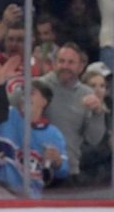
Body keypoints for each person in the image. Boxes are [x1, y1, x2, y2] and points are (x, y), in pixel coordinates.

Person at [0, 78, 68, 197]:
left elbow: (63, 171)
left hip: (32, 198)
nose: (25, 96)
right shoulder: (6, 115)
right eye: (24, 92)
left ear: (44, 101)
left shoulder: (54, 134)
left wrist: (57, 161)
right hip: (0, 190)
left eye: (32, 92)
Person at [36, 42, 106, 185]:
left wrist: (98, 112)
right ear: (54, 63)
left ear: (81, 67)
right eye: (61, 61)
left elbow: (93, 139)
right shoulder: (38, 87)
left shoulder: (87, 94)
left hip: (70, 173)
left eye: (71, 62)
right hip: (36, 170)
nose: (65, 66)